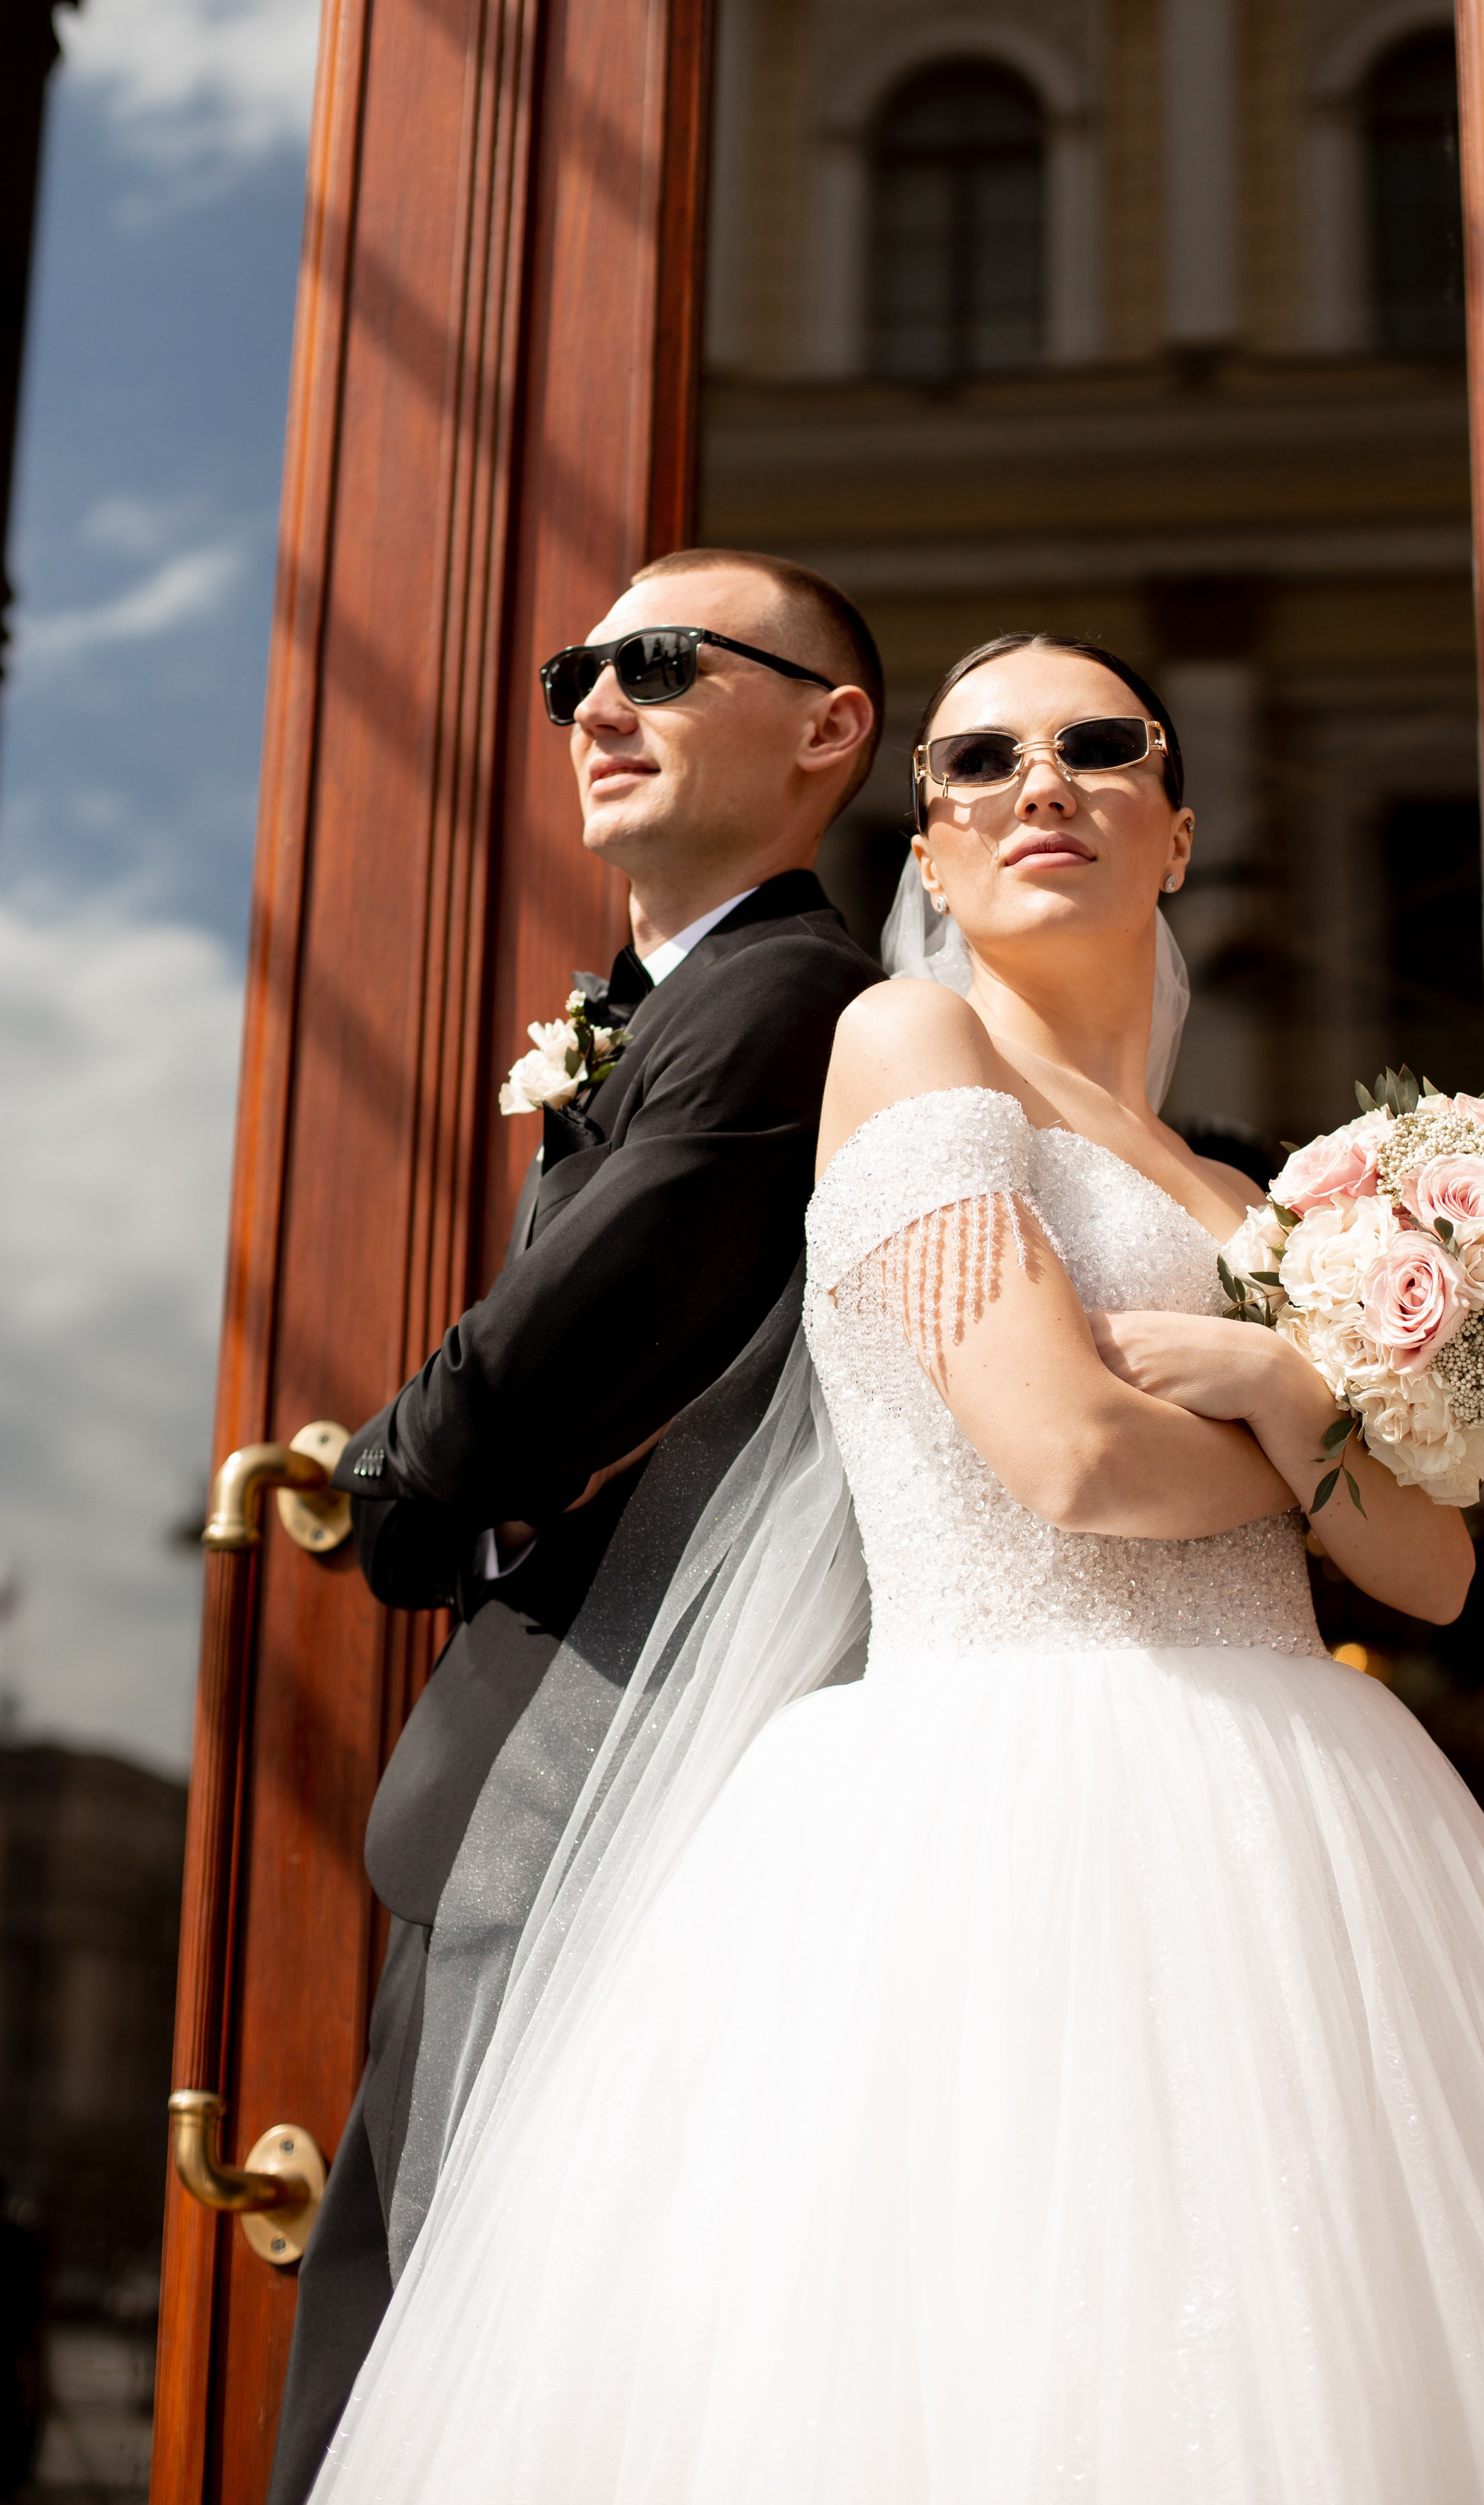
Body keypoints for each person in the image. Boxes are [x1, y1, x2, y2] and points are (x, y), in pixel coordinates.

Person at [308, 633, 1484, 2504]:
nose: (1039, 782)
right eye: (973, 764)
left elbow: (1430, 1573)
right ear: (929, 857)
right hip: (988, 1804)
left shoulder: (1255, 1206)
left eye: (1098, 746)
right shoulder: (907, 1046)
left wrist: (1281, 1379)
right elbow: (1064, 1456)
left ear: (1175, 829)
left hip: (1302, 1832)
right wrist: (1304, 1448)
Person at [267, 551, 884, 2505]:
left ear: (829, 732)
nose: (597, 704)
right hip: (549, 1739)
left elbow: (548, 1360)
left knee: (468, 2323)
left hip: (610, 1764)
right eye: (572, 672)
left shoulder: (794, 1003)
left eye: (662, 663)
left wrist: (394, 1498)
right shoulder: (666, 1003)